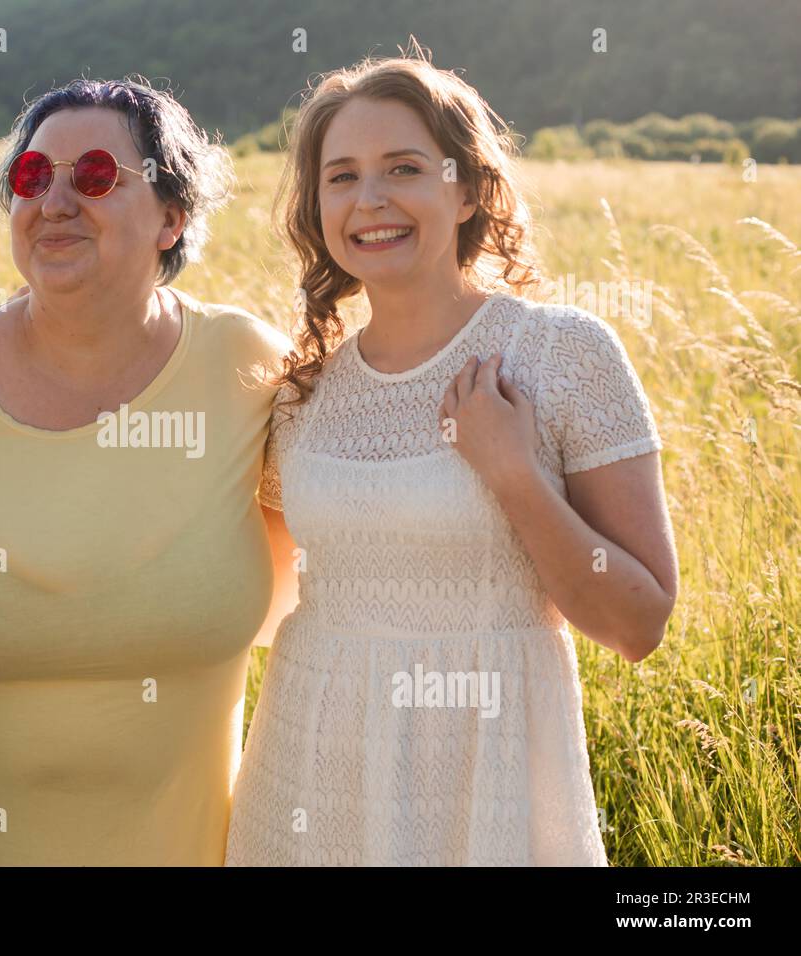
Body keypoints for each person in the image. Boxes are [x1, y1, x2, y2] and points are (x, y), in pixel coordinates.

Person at [225, 44, 679, 866]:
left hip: (487, 781)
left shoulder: (560, 355)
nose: (371, 201)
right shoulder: (303, 394)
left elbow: (638, 623)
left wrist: (512, 475)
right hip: (310, 776)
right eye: (342, 176)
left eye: (404, 168)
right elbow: (255, 604)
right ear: (317, 206)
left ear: (465, 188)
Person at [0, 77, 295, 865]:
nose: (55, 201)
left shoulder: (247, 367)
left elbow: (336, 540)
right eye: (32, 177)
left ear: (174, 216)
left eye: (96, 175)